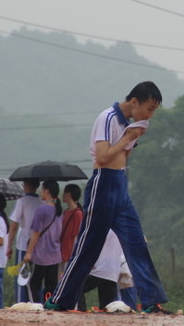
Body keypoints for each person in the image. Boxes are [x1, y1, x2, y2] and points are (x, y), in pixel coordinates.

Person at [46, 81, 169, 313]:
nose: (150, 115)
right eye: (149, 109)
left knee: (136, 242)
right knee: (88, 246)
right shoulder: (108, 117)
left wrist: (132, 137)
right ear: (135, 102)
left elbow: (123, 155)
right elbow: (102, 157)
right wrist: (127, 137)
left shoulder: (129, 124)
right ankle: (60, 299)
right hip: (103, 183)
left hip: (120, 183)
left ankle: (151, 301)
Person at [23, 180, 63, 303]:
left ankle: (37, 306)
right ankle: (48, 307)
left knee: (34, 284)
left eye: (42, 189)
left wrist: (29, 253)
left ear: (47, 191)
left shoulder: (41, 210)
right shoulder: (59, 210)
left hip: (41, 255)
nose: (41, 192)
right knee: (51, 286)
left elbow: (36, 233)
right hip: (55, 255)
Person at [7, 178, 41, 303]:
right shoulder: (41, 201)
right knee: (35, 278)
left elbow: (14, 225)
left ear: (26, 185)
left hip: (23, 244)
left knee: (22, 277)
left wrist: (9, 245)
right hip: (38, 245)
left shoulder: (22, 200)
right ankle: (36, 303)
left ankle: (21, 303)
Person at [78, 229, 124, 311]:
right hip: (113, 271)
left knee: (77, 286)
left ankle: (82, 312)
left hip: (99, 269)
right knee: (106, 306)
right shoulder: (120, 229)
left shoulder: (103, 227)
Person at [60, 184, 84, 273]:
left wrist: (74, 255)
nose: (62, 195)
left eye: (64, 193)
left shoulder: (77, 214)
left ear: (68, 194)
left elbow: (76, 236)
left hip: (69, 254)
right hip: (61, 252)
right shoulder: (65, 212)